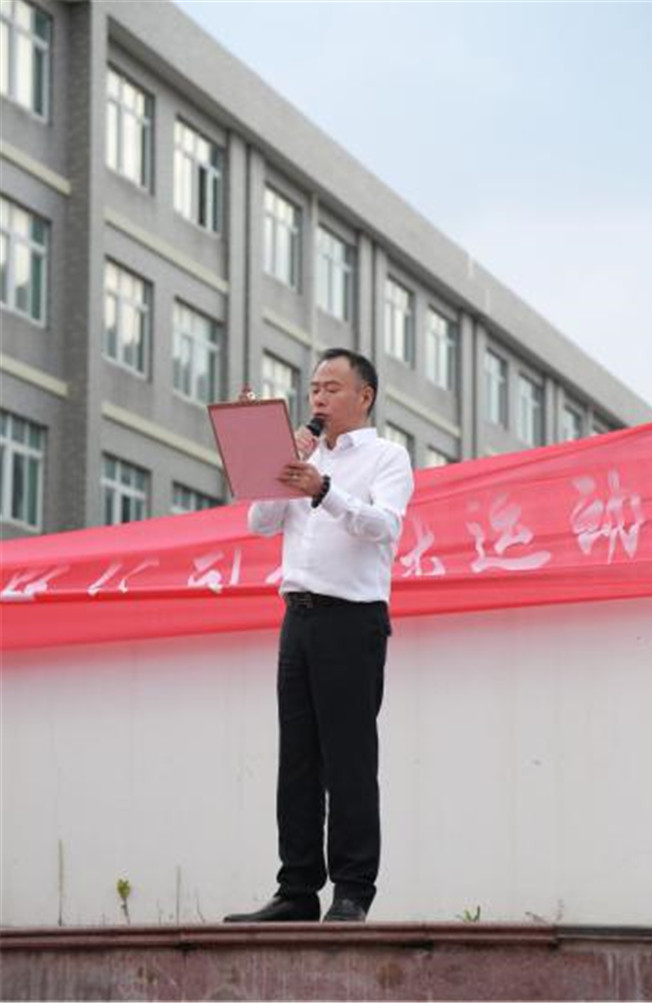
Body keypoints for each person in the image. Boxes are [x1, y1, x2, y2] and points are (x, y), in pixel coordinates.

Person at [224, 348, 414, 923]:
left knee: (348, 760)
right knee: (298, 760)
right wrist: (276, 465)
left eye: (332, 388)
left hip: (352, 620)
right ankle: (297, 889)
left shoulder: (387, 457)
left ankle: (352, 891)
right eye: (313, 389)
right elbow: (259, 524)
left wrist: (322, 488)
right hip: (298, 618)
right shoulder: (303, 455)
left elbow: (384, 527)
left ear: (364, 396)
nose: (320, 399)